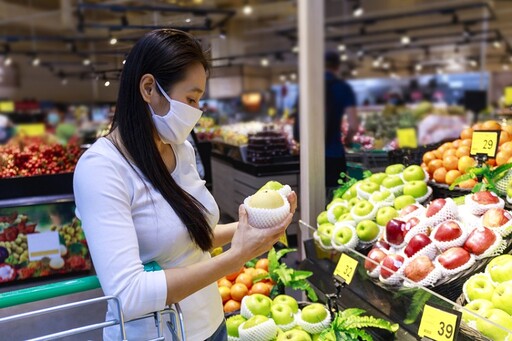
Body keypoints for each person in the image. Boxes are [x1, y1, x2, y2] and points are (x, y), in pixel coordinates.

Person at [73, 29, 297, 341]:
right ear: (149, 88)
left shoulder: (181, 149)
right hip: (157, 335)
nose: (196, 111)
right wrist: (235, 257)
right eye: (190, 98)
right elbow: (129, 293)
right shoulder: (101, 169)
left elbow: (190, 237)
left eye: (199, 100)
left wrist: (256, 227)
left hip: (212, 323)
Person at [324, 51, 359, 196]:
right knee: (336, 196)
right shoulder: (342, 88)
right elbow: (353, 125)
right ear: (337, 67)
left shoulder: (309, 88)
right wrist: (348, 140)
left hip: (309, 155)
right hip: (334, 153)